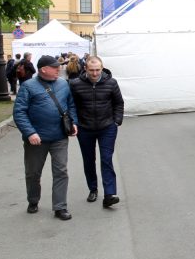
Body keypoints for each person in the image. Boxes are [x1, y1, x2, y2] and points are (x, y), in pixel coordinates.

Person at [13, 55, 78, 220]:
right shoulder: (28, 86)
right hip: (37, 139)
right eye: (55, 67)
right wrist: (30, 132)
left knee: (61, 171)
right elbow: (19, 112)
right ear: (44, 69)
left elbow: (71, 105)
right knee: (33, 173)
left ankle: (60, 207)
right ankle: (33, 200)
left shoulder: (63, 84)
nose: (59, 69)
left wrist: (73, 122)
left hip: (59, 137)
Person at [69, 55, 124, 208]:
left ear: (102, 68)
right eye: (92, 70)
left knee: (106, 159)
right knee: (88, 160)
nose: (95, 74)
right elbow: (71, 105)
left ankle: (109, 194)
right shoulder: (75, 84)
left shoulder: (111, 83)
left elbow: (119, 103)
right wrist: (75, 122)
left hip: (107, 127)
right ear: (85, 68)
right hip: (85, 128)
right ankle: (93, 189)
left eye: (98, 70)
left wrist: (116, 121)